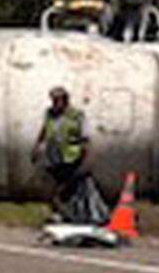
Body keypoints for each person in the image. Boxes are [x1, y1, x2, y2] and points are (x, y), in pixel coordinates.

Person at [31, 86, 109, 224]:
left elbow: (85, 137)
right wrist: (37, 147)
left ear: (65, 100)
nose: (54, 103)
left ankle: (75, 215)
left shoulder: (76, 115)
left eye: (57, 100)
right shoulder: (49, 114)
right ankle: (58, 214)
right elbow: (44, 130)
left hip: (71, 158)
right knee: (50, 188)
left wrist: (86, 156)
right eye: (53, 100)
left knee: (69, 189)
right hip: (53, 157)